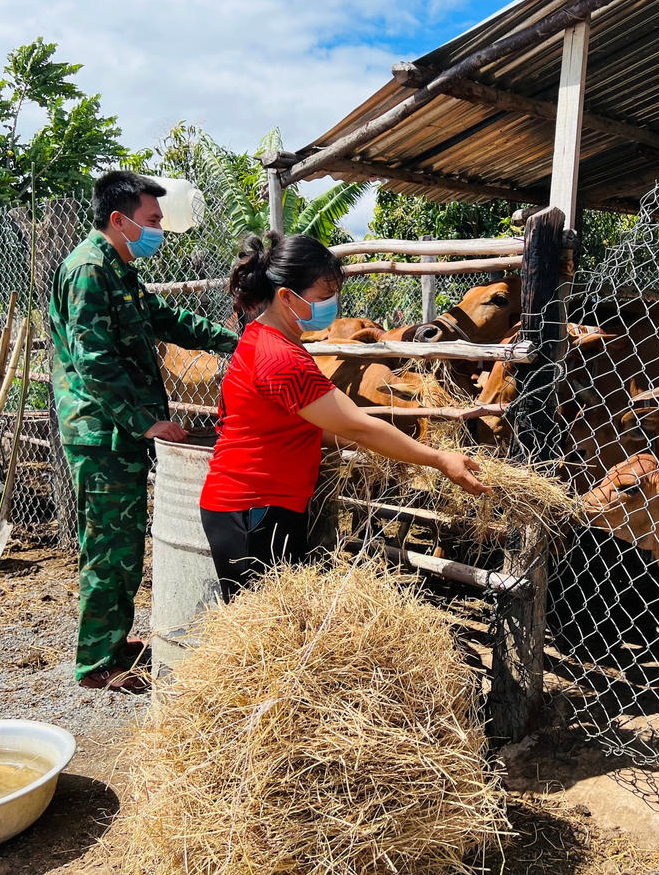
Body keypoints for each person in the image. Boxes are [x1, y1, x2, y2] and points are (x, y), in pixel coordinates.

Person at [200, 231, 487, 599]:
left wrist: (392, 448)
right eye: (323, 297)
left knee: (275, 628)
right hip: (253, 509)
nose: (332, 306)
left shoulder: (264, 338)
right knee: (264, 634)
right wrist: (438, 459)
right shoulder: (281, 359)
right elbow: (357, 426)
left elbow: (306, 428)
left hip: (256, 504)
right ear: (287, 296)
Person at [50, 171, 238, 692]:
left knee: (125, 542)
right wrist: (146, 421)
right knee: (112, 546)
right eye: (152, 220)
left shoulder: (120, 270)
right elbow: (94, 363)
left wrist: (234, 342)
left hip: (117, 431)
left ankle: (111, 639)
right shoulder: (88, 271)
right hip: (102, 433)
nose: (157, 229)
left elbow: (167, 319)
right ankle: (96, 666)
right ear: (119, 220)